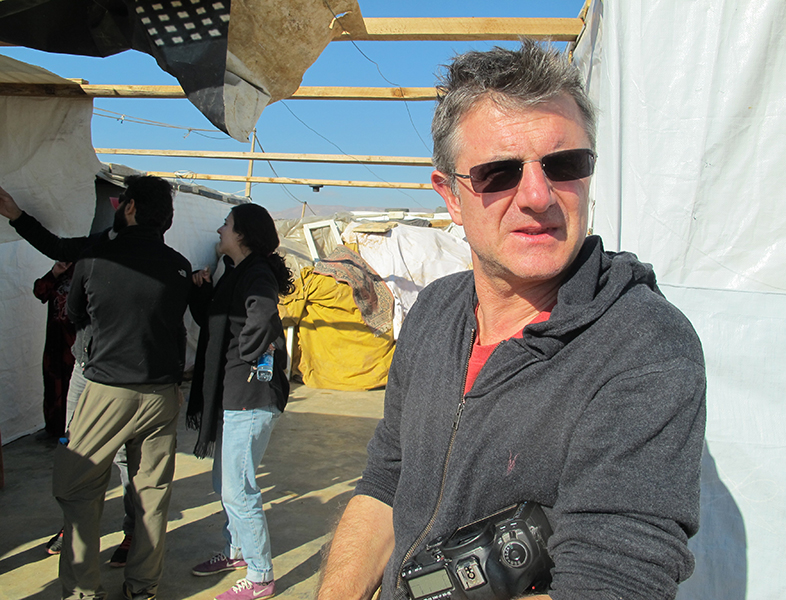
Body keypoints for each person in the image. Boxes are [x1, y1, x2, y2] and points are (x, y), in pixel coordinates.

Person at [316, 40, 706, 600]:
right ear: (449, 194)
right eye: (499, 173)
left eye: (565, 164)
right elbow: (387, 480)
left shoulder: (642, 346)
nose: (538, 195)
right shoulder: (433, 313)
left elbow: (614, 582)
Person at [55, 174, 192, 600]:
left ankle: (83, 591)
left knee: (79, 489)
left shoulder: (97, 259)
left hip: (107, 390)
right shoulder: (180, 266)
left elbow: (74, 312)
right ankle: (142, 589)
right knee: (151, 493)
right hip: (162, 395)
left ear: (129, 208)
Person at [0, 183, 138, 563]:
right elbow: (56, 258)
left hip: (121, 373)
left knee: (124, 455)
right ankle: (75, 526)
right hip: (82, 365)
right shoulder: (95, 248)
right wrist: (16, 216)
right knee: (76, 449)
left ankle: (131, 534)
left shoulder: (149, 258)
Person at [186, 203, 293, 600]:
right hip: (235, 395)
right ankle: (236, 552)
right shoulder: (236, 273)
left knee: (238, 490)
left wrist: (248, 353)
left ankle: (261, 576)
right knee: (224, 482)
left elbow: (262, 312)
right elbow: (214, 322)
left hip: (250, 395)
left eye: (226, 225)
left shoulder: (256, 274)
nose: (219, 230)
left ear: (243, 235)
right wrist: (200, 290)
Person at [33, 260, 76, 439]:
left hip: (74, 342)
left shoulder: (84, 273)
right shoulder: (56, 277)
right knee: (53, 386)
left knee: (74, 386)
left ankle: (74, 429)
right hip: (54, 342)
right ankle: (53, 429)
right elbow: (40, 291)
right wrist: (55, 272)